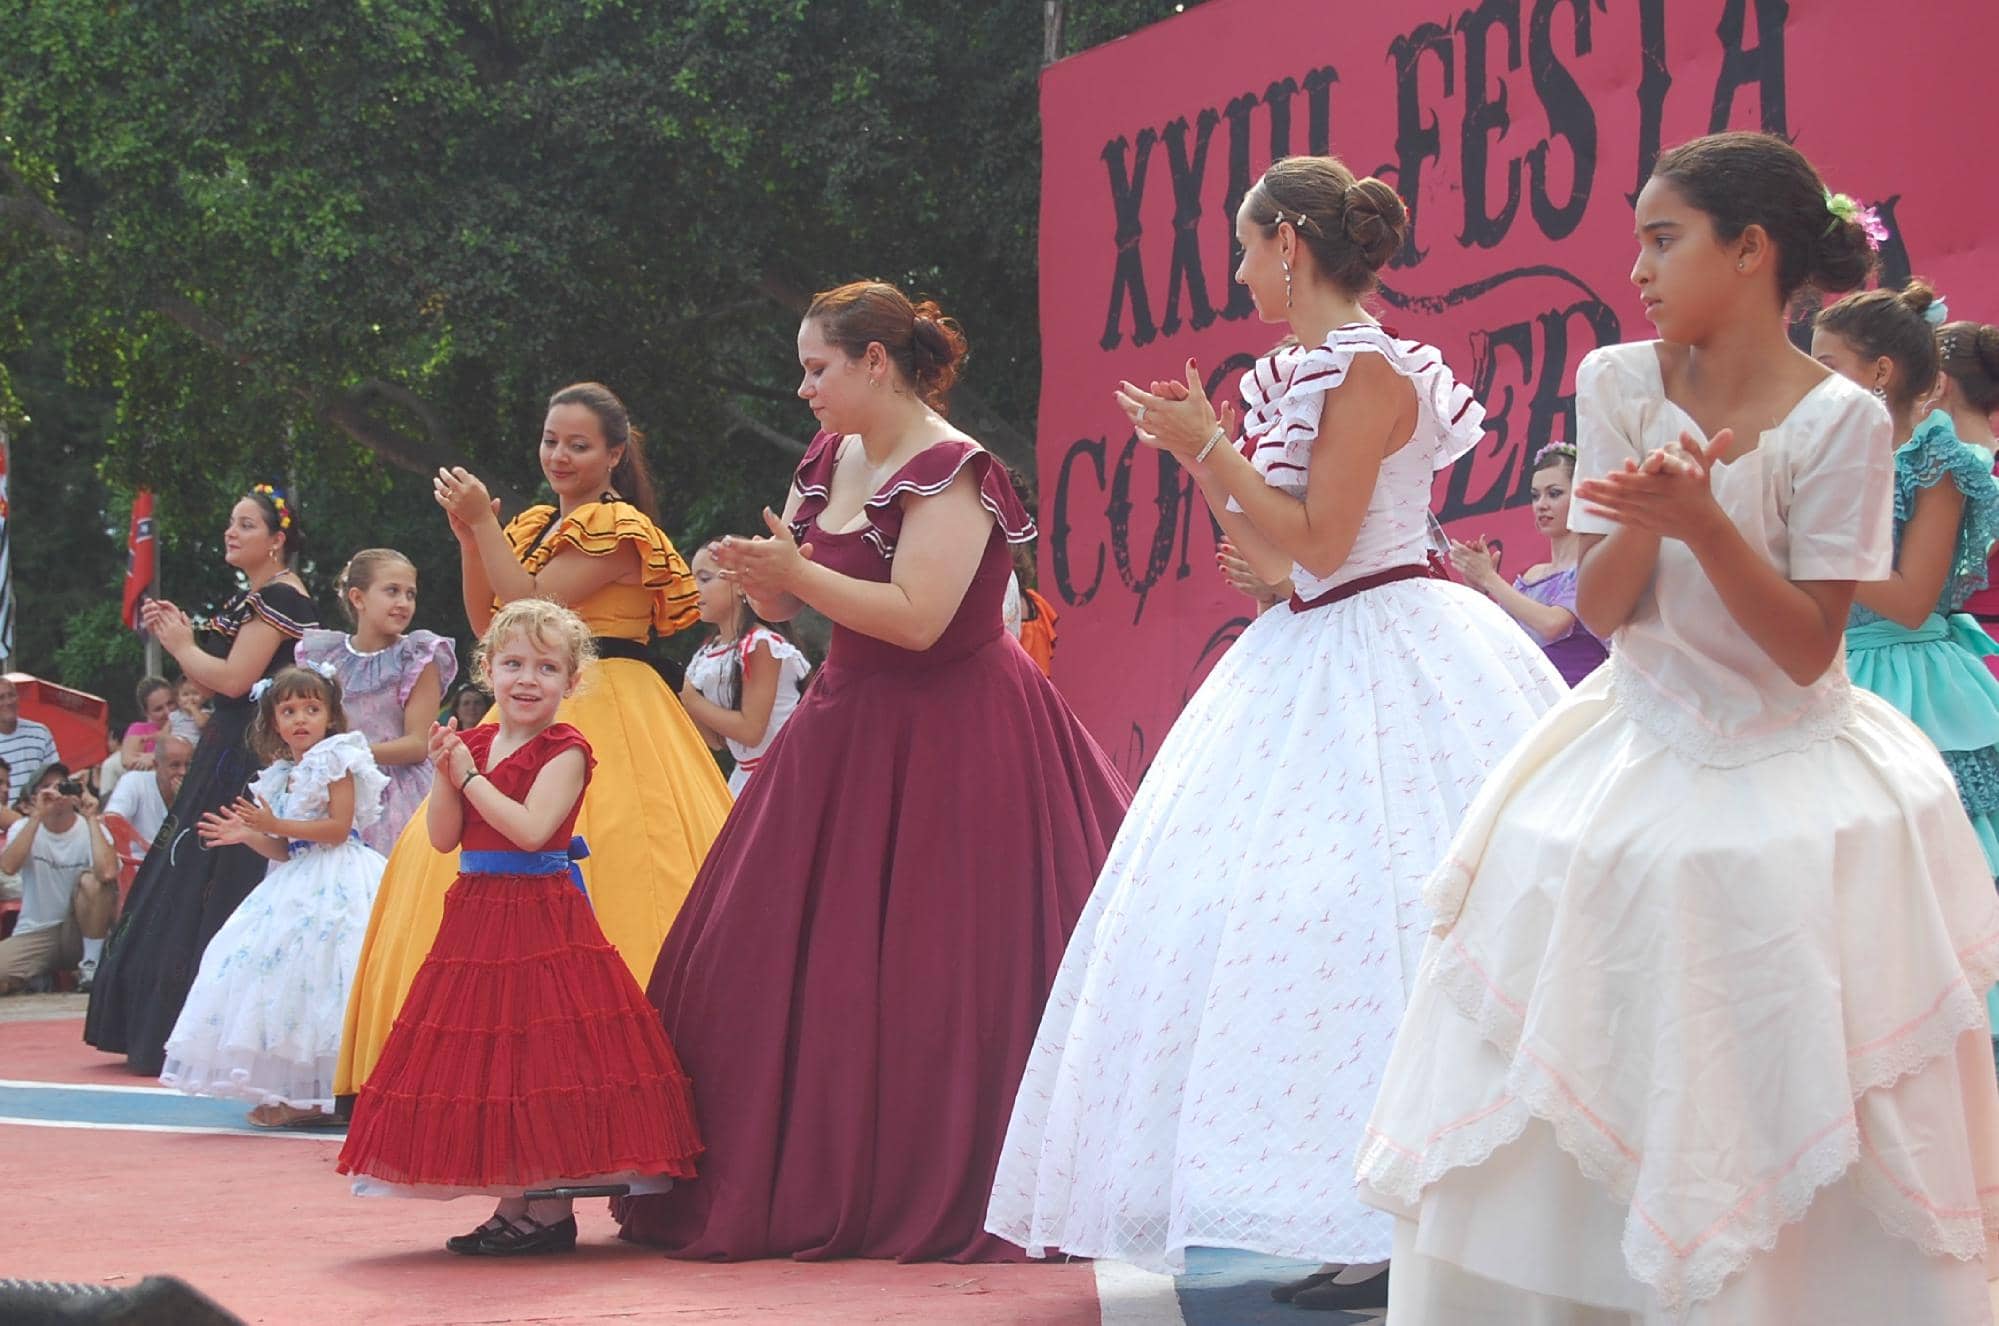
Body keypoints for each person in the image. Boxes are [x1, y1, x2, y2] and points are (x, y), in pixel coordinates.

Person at [1356, 132, 1999, 1325]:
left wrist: (1707, 522)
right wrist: (1654, 515)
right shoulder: (1615, 380)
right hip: (1635, 737)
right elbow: (1602, 609)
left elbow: (1805, 647)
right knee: (1576, 923)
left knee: (1767, 985)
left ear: (1750, 252)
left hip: (1791, 748)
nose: (1638, 271)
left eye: (1664, 240)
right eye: (1638, 242)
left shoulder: (1843, 421)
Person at [985, 156, 1563, 1311]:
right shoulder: (1309, 370)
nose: (1240, 269)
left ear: (1288, 244)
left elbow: (1323, 539)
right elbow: (1272, 555)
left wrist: (1208, 448)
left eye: (1246, 247)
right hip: (1316, 642)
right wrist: (1202, 455)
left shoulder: (1364, 366)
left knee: (1398, 915)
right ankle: (1365, 1211)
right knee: (1319, 930)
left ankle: (1428, 1213)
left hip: (1386, 645)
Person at [615, 280, 1131, 1263]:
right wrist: (769, 579)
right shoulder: (828, 455)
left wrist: (795, 574)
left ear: (875, 362)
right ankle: (799, 1178)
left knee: (952, 972)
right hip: (849, 720)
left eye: (817, 368)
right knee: (759, 957)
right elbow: (799, 606)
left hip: (963, 740)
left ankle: (957, 1185)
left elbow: (921, 620)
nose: (803, 389)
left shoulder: (952, 469)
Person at [337, 384, 731, 1105]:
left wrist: (483, 521)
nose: (559, 456)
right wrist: (471, 538)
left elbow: (532, 603)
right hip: (529, 699)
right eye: (551, 440)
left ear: (615, 454)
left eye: (579, 444)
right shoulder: (536, 524)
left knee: (632, 864)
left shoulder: (620, 528)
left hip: (611, 696)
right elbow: (491, 623)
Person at [338, 600, 701, 1256]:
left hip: (542, 913)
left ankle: (547, 1209)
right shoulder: (473, 746)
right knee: (493, 1058)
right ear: (489, 671)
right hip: (477, 912)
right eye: (513, 664)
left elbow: (532, 830)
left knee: (543, 1052)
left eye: (546, 667)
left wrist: (468, 776)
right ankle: (517, 1202)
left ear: (571, 680)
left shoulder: (567, 749)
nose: (527, 679)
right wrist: (446, 771)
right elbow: (444, 837)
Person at [84, 484, 319, 1073]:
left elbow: (235, 679)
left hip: (250, 753)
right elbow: (220, 677)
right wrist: (182, 640)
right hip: (230, 745)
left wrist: (181, 644)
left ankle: (212, 1028)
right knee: (194, 868)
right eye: (231, 522)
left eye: (246, 524)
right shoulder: (256, 597)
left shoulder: (282, 597)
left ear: (277, 540)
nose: (231, 532)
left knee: (223, 872)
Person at [1811, 284, 1999, 867]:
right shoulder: (1812, 459)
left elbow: (1914, 602)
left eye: (1826, 366)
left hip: (1911, 686)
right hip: (1819, 673)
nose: (1810, 382)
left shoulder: (1933, 462)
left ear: (1881, 372)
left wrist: (1808, 549)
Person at [160, 666, 387, 1128]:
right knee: (287, 979)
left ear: (330, 716)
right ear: (274, 722)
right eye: (289, 711)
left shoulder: (336, 758)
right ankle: (304, 1093)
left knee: (335, 973)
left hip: (341, 876)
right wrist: (249, 834)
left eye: (312, 708)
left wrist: (274, 824)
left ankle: (345, 1089)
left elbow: (338, 828)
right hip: (298, 879)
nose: (301, 718)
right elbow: (284, 850)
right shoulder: (281, 774)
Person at [295, 549, 457, 852]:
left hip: (396, 795)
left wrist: (346, 754)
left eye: (410, 594)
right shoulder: (326, 657)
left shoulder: (417, 657)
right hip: (335, 787)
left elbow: (418, 744)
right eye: (392, 591)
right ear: (358, 598)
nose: (403, 602)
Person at [1450, 442, 1610, 684]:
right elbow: (1501, 638)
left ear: (1581, 496)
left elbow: (1552, 624)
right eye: (1535, 496)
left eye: (1554, 493)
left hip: (1579, 695)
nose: (1541, 505)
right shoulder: (1532, 575)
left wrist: (1490, 579)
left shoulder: (1592, 565)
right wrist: (1478, 590)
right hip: (1533, 695)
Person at [680, 542, 809, 794]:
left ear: (740, 584)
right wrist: (681, 698)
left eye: (704, 579)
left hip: (781, 778)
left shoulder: (760, 644)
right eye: (691, 579)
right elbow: (718, 742)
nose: (693, 589)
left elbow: (751, 731)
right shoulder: (708, 652)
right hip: (746, 777)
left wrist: (690, 698)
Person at [0, 764, 119, 993]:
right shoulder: (23, 827)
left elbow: (107, 873)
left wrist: (91, 817)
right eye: (46, 787)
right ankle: (35, 978)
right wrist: (37, 815)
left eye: (63, 786)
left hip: (83, 930)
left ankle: (90, 965)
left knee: (92, 881)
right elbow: (8, 866)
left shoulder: (90, 827)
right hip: (37, 932)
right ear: (33, 798)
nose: (56, 793)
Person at [103, 733, 194, 847]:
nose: (183, 772)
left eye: (188, 765)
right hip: (137, 856)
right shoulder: (134, 781)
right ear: (156, 765)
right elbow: (112, 820)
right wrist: (145, 846)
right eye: (175, 765)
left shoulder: (197, 789)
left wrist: (183, 801)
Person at [0, 678, 60, 804]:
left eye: (11, 695)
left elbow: (55, 778)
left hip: (37, 812)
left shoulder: (40, 733)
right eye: (1, 697)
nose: (8, 702)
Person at [119, 677, 175, 771]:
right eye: (158, 709)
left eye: (170, 703)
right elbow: (128, 761)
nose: (168, 712)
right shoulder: (139, 729)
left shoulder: (192, 721)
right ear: (146, 713)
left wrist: (154, 757)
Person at [170, 678, 210, 744]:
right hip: (175, 745)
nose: (190, 698)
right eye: (185, 694)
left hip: (193, 746)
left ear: (203, 698)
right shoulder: (174, 715)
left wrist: (193, 708)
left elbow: (202, 724)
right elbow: (164, 733)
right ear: (178, 699)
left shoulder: (204, 713)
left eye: (195, 693)